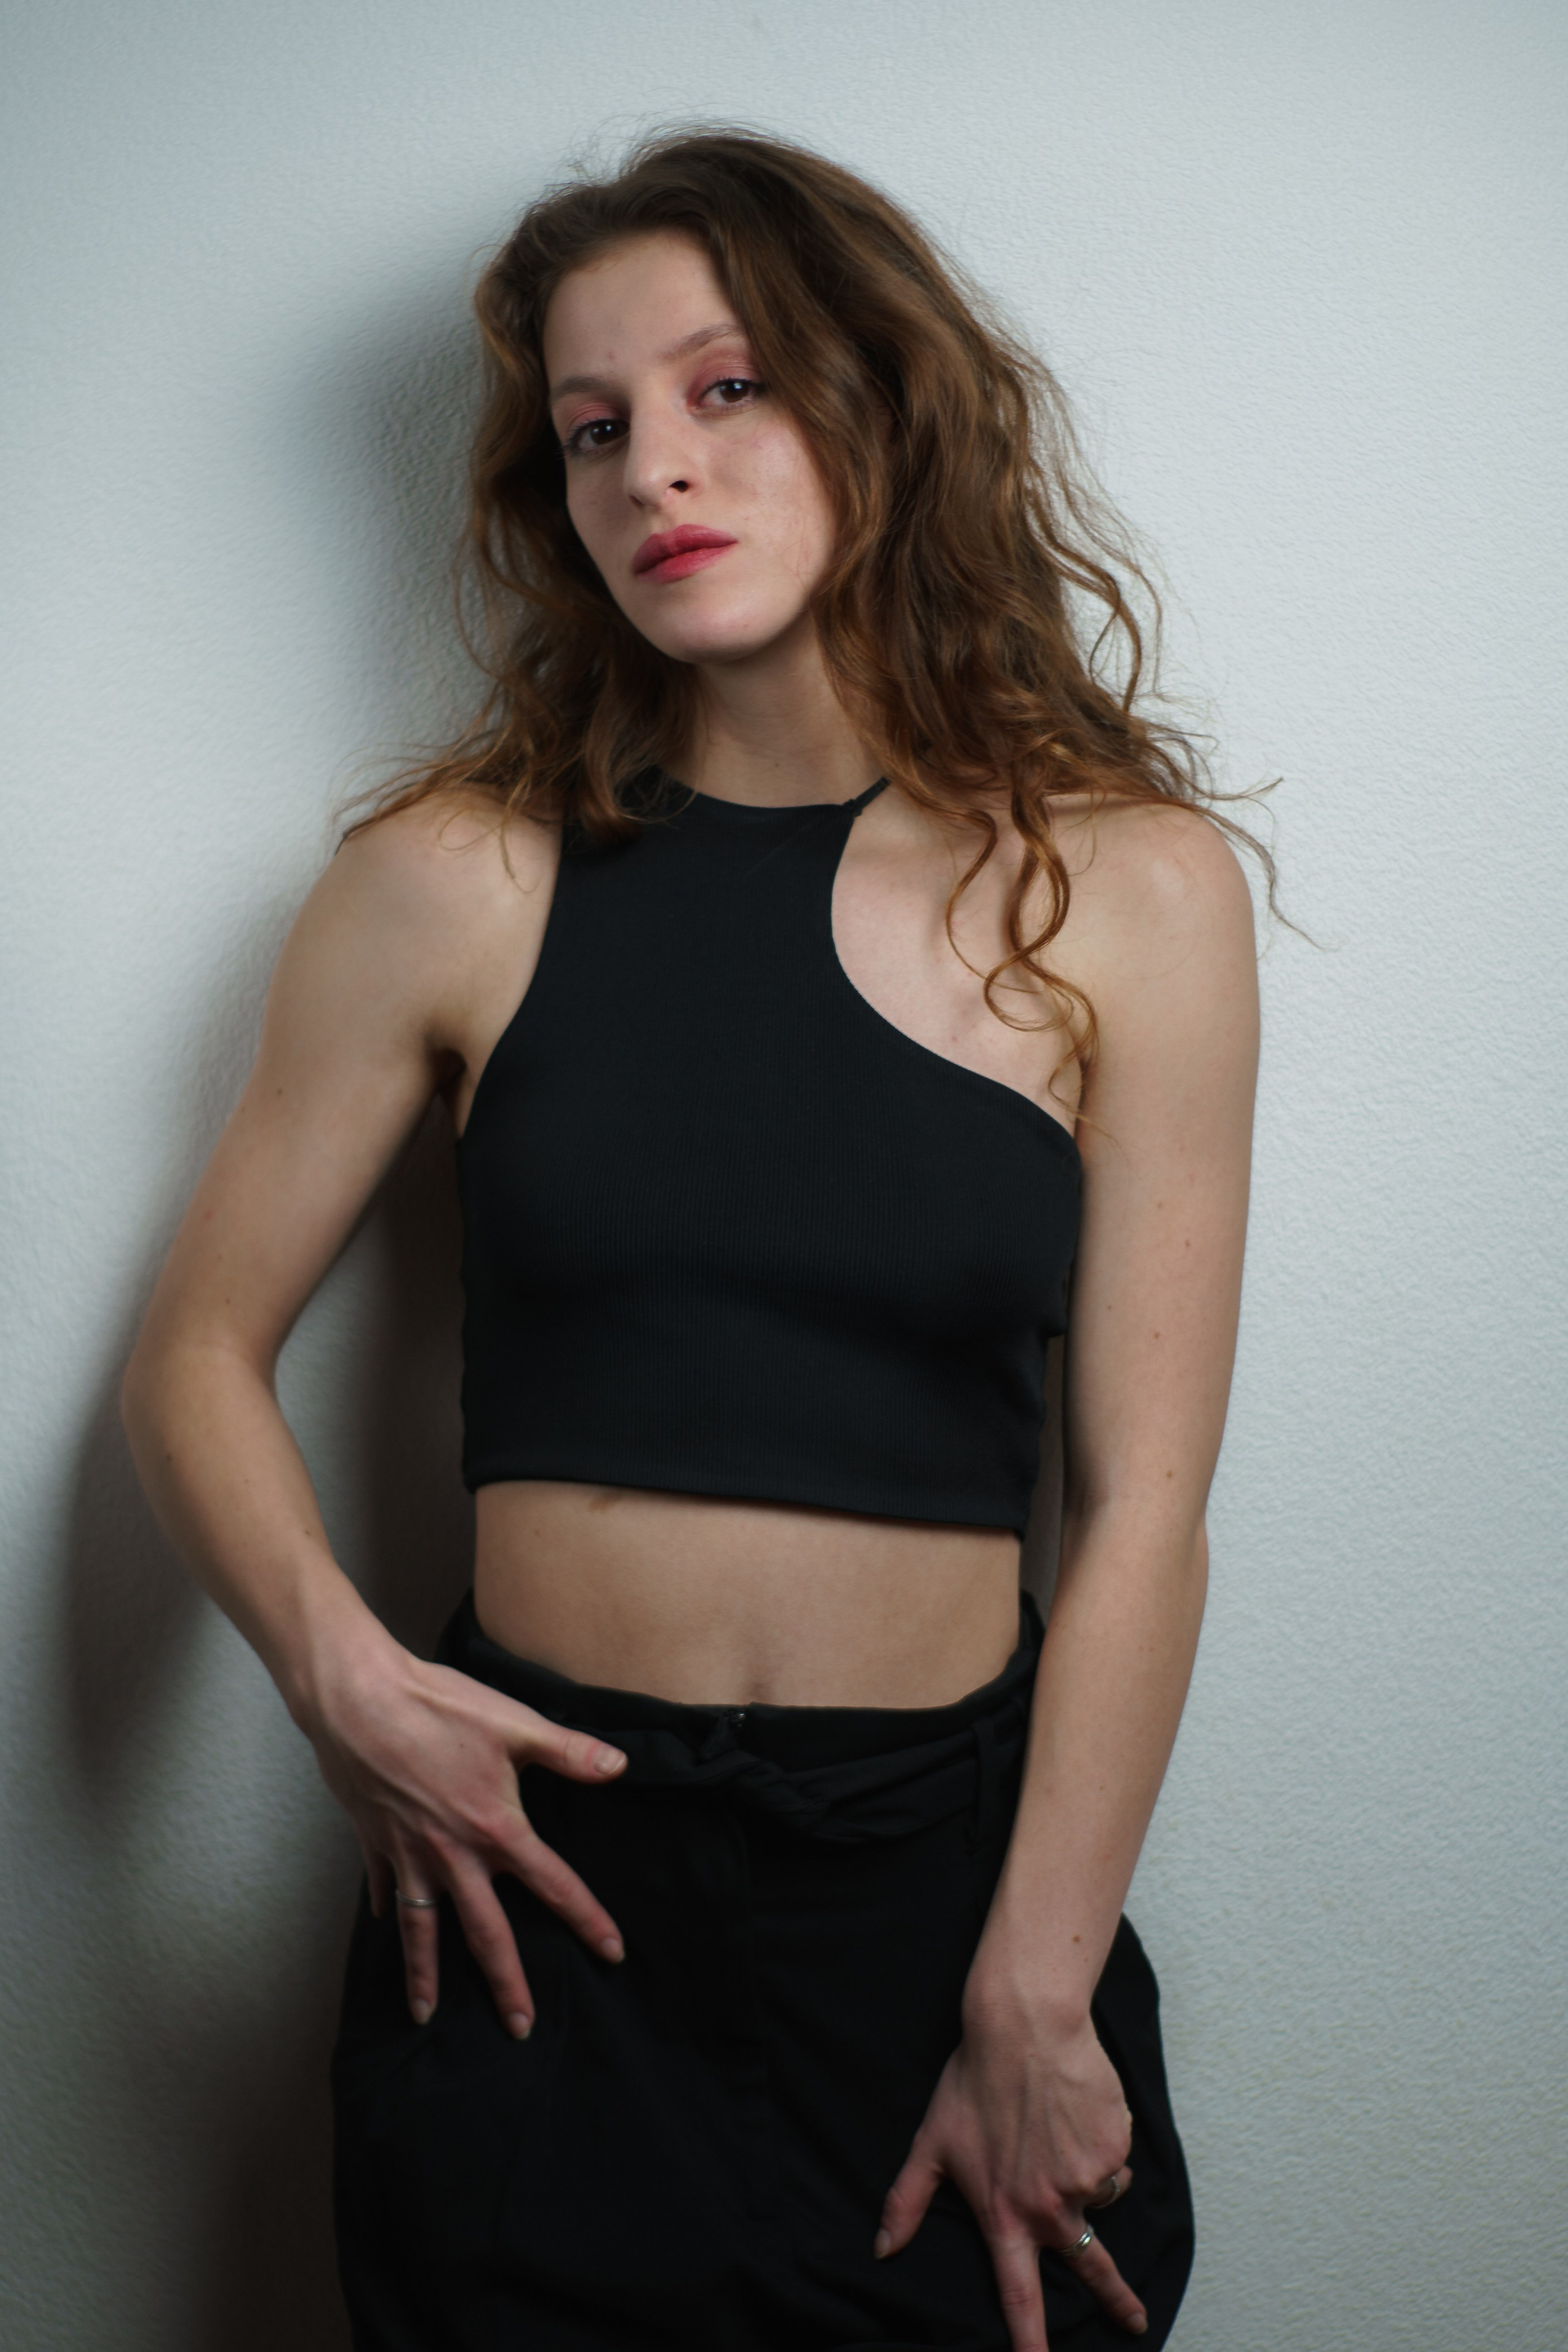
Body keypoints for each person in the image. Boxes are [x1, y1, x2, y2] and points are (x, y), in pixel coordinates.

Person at [121, 127, 1259, 2352]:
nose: (654, 466)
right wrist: (345, 1685)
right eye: (592, 426)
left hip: (946, 1901)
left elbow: (1144, 1508)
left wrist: (1036, 1989)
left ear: (884, 405)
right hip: (532, 1893)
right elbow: (191, 1355)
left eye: (728, 387)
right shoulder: (450, 880)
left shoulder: (1131, 891)